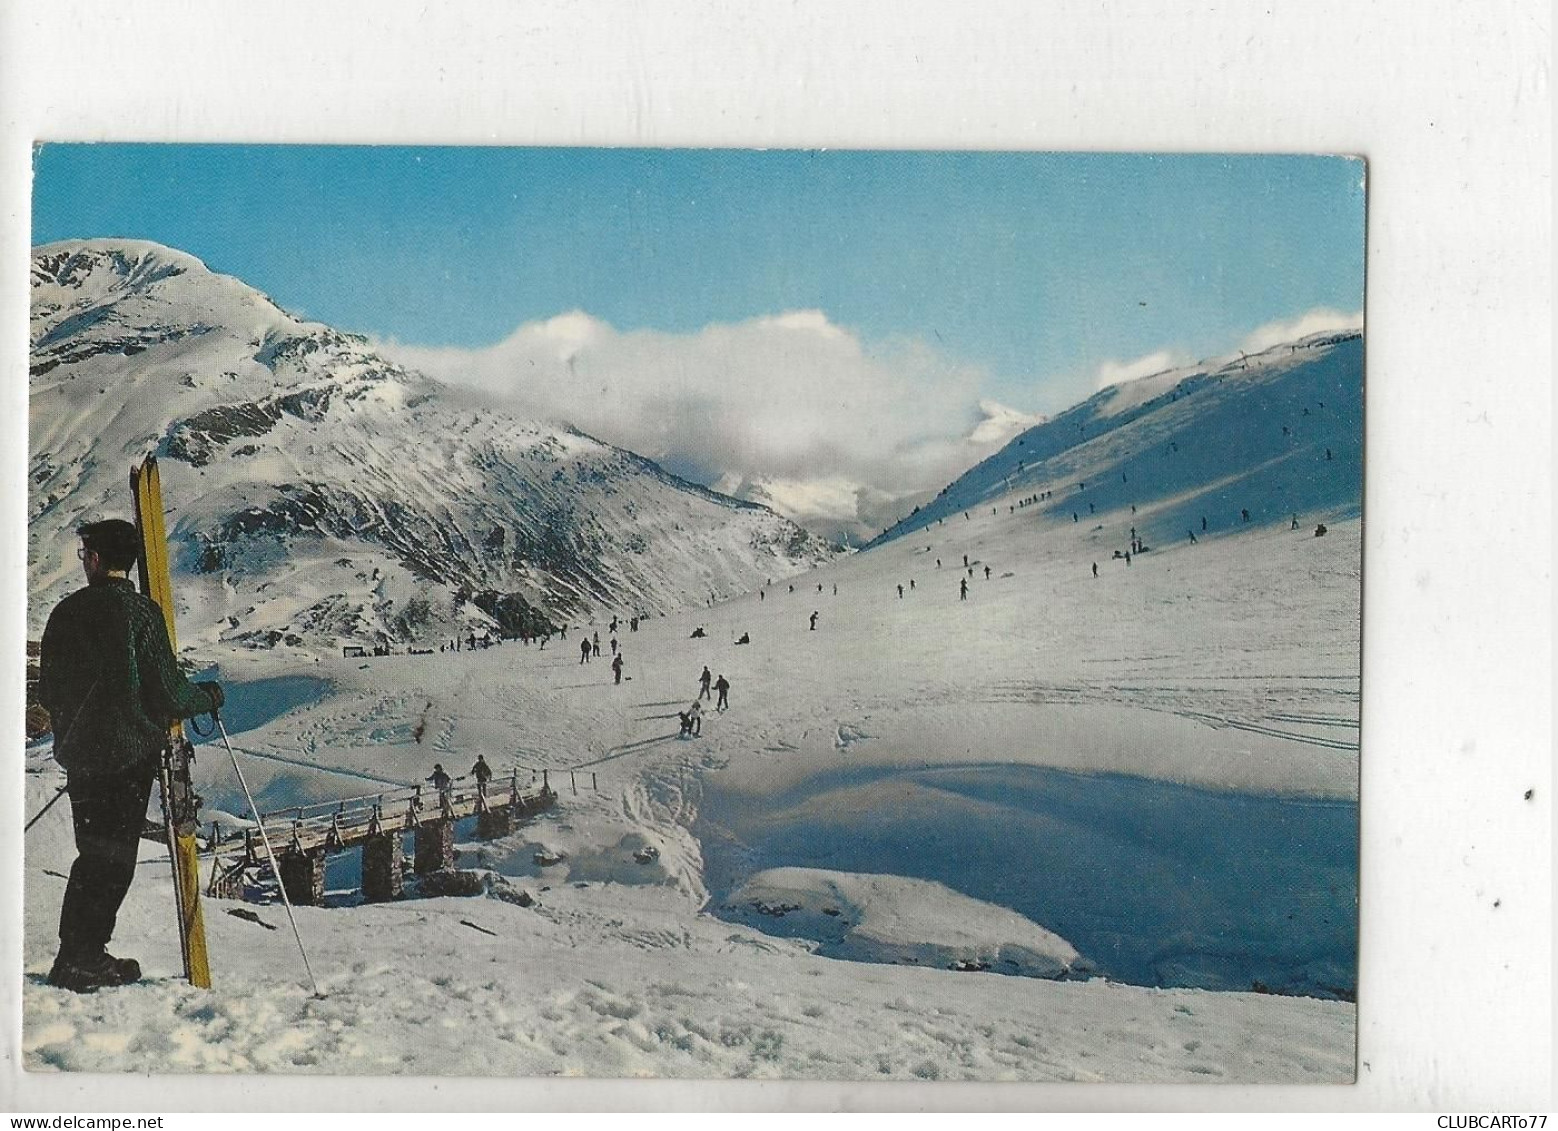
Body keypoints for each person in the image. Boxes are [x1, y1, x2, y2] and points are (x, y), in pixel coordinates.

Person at [38, 520, 224, 993]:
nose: (83, 562)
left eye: (84, 555)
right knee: (114, 861)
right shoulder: (142, 614)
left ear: (97, 559)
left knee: (92, 856)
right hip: (127, 757)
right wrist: (209, 697)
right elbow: (169, 693)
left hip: (79, 754)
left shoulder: (64, 612)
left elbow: (48, 689)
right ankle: (81, 957)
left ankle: (78, 953)